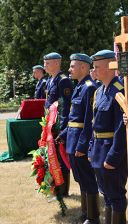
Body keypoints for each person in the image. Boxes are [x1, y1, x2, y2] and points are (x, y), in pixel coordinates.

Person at [56, 53, 99, 223]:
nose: (69, 69)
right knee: (80, 179)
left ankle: (93, 217)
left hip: (80, 142)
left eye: (72, 66)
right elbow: (74, 119)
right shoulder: (79, 86)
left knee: (88, 179)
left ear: (83, 67)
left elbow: (89, 122)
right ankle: (85, 213)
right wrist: (63, 134)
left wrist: (83, 146)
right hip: (72, 140)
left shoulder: (89, 87)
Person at [89, 50, 127, 223]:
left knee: (116, 196)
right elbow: (93, 123)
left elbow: (121, 129)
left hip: (110, 152)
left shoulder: (119, 91)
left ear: (111, 67)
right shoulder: (99, 91)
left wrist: (113, 157)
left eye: (97, 67)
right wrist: (91, 149)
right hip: (98, 151)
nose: (93, 71)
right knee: (106, 194)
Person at [43, 52, 73, 197]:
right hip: (50, 125)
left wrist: (62, 129)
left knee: (61, 158)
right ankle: (55, 188)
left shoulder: (63, 80)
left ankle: (63, 190)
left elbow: (65, 106)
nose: (45, 66)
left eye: (47, 63)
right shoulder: (50, 79)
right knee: (51, 157)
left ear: (56, 63)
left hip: (59, 125)